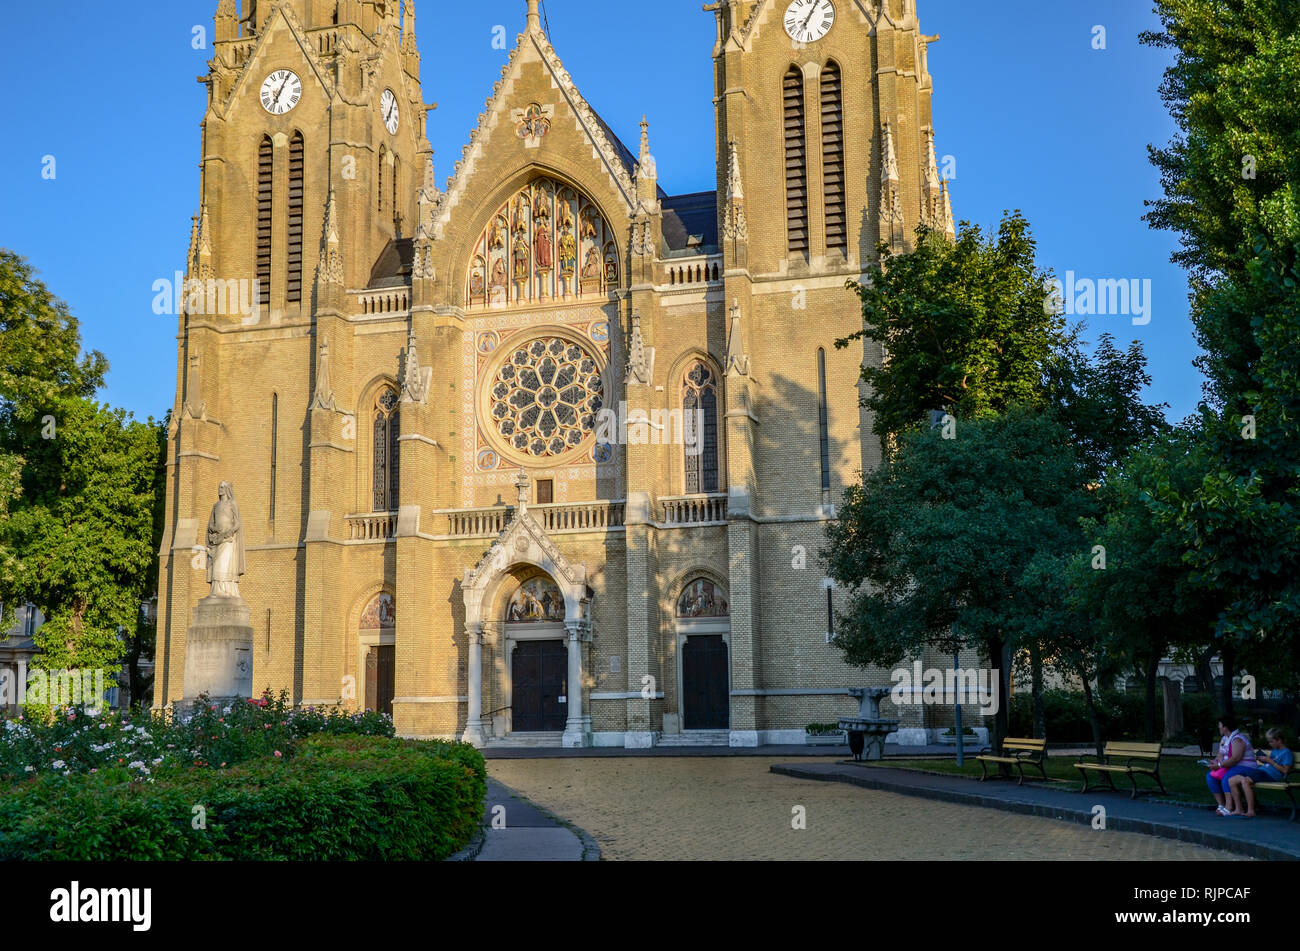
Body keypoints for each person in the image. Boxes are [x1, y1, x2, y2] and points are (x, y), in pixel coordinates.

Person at [1227, 729, 1293, 818]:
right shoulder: (1275, 750)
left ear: (1279, 740)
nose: (1270, 744)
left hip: (1270, 775)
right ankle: (1239, 809)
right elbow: (1270, 763)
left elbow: (1285, 771)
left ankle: (1251, 811)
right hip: (1261, 771)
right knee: (1232, 780)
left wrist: (1270, 761)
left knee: (1246, 781)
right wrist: (1264, 760)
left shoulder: (1286, 752)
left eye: (1271, 741)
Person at [1205, 716, 1257, 816]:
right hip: (1233, 767)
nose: (1218, 727)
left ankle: (1229, 806)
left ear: (1226, 727)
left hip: (1246, 767)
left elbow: (1235, 759)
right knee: (1210, 776)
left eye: (1220, 725)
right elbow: (1220, 754)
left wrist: (1219, 765)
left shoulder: (1237, 739)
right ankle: (1221, 804)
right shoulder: (1225, 739)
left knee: (1227, 777)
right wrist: (1215, 762)